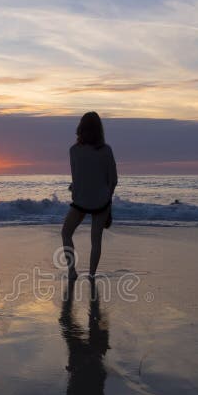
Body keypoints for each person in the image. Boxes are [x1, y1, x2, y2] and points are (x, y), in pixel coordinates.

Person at [61, 111, 118, 280]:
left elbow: (76, 178)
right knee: (96, 239)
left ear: (81, 128)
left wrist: (75, 189)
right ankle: (91, 275)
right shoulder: (106, 150)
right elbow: (113, 180)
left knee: (66, 233)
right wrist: (108, 200)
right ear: (99, 130)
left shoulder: (73, 150)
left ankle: (72, 271)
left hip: (81, 201)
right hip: (101, 201)